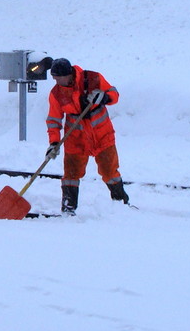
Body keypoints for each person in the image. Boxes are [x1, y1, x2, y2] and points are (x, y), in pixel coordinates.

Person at [45, 58, 129, 214]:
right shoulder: (56, 93)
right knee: (71, 174)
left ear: (68, 74)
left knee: (110, 171)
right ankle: (68, 209)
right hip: (75, 138)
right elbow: (53, 120)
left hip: (102, 135)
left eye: (57, 77)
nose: (55, 81)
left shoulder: (93, 78)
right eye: (54, 78)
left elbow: (114, 93)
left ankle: (121, 204)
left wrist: (104, 97)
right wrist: (54, 143)